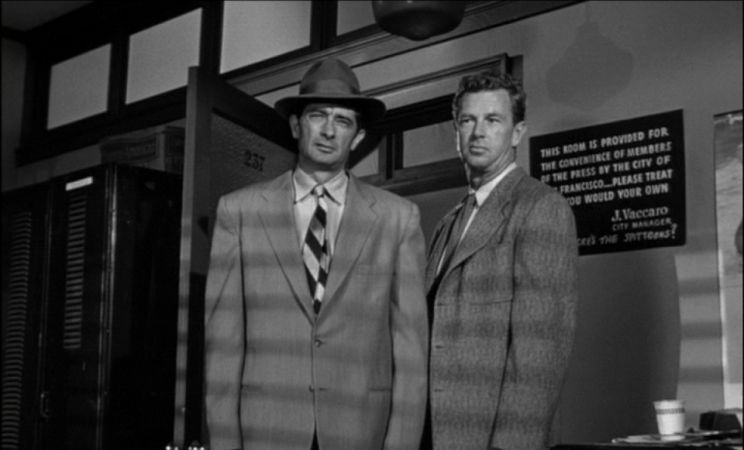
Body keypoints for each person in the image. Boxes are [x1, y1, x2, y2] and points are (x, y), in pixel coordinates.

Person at [203, 57, 429, 450]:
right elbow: (223, 347)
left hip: (360, 432)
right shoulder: (239, 211)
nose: (328, 130)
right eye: (318, 116)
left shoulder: (398, 219)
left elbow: (411, 354)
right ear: (296, 126)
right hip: (267, 433)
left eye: (343, 121)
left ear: (357, 137)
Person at [424, 71, 578, 450]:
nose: (478, 132)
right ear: (456, 132)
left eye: (493, 120)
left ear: (517, 133)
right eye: (468, 120)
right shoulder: (449, 221)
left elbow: (538, 358)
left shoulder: (541, 207)